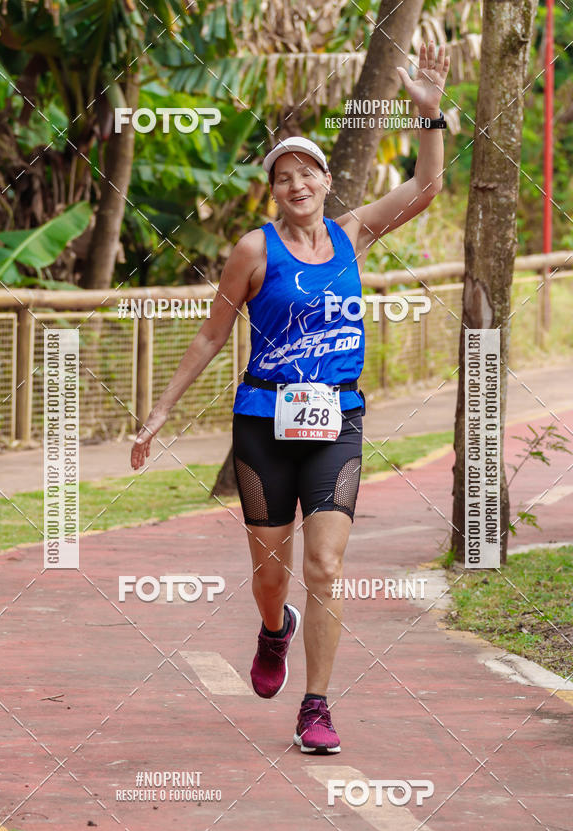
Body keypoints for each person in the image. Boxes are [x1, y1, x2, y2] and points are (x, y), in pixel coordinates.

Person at [131, 41, 450, 753]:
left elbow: (427, 188)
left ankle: (317, 705)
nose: (297, 183)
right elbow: (212, 336)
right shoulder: (253, 249)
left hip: (337, 418)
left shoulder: (354, 232)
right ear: (273, 190)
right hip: (263, 421)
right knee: (270, 577)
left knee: (326, 565)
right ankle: (274, 630)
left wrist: (428, 117)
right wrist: (160, 413)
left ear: (327, 179)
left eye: (307, 171)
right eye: (284, 176)